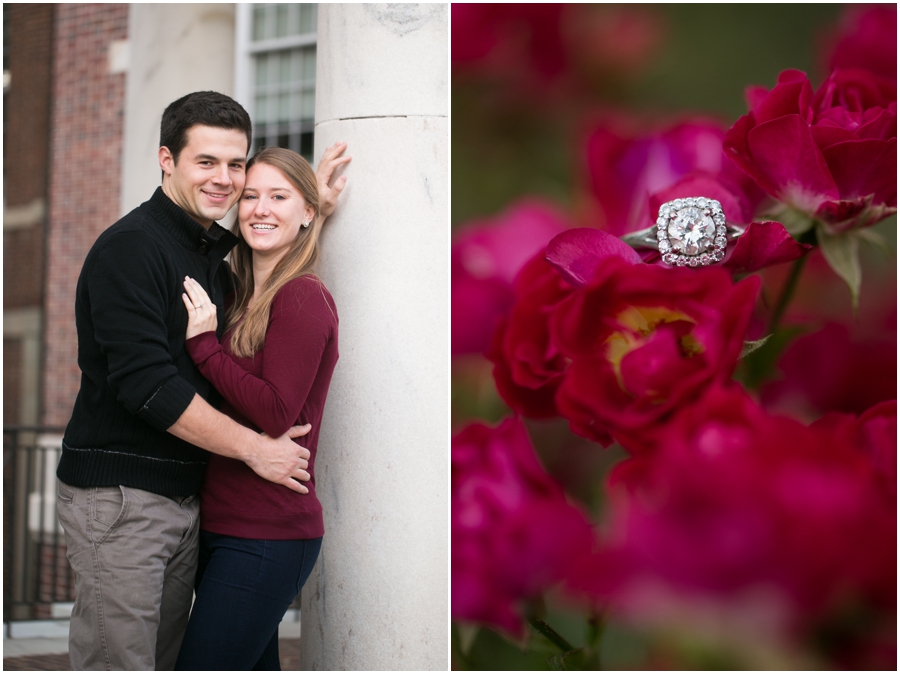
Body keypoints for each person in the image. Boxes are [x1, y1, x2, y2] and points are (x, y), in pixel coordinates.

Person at [55, 90, 349, 670]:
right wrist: (256, 452)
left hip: (191, 505)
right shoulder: (133, 248)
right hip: (121, 500)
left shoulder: (212, 255)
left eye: (236, 165)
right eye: (206, 162)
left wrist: (308, 204)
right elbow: (147, 385)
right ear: (167, 160)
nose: (226, 180)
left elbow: (271, 239)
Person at [172, 146, 339, 670]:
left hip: (267, 536)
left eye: (279, 197)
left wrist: (205, 348)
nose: (260, 208)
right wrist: (309, 204)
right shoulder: (241, 291)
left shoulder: (301, 297)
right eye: (251, 197)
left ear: (307, 212)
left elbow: (275, 412)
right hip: (222, 524)